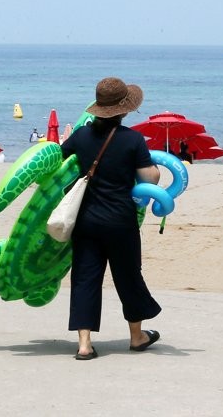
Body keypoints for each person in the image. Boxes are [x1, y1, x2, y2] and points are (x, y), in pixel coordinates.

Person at [61, 77, 162, 360]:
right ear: (124, 110)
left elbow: (61, 161)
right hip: (120, 220)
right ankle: (136, 337)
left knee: (84, 278)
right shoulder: (132, 139)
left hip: (86, 220)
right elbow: (149, 178)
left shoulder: (80, 136)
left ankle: (84, 344)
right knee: (128, 275)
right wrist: (153, 165)